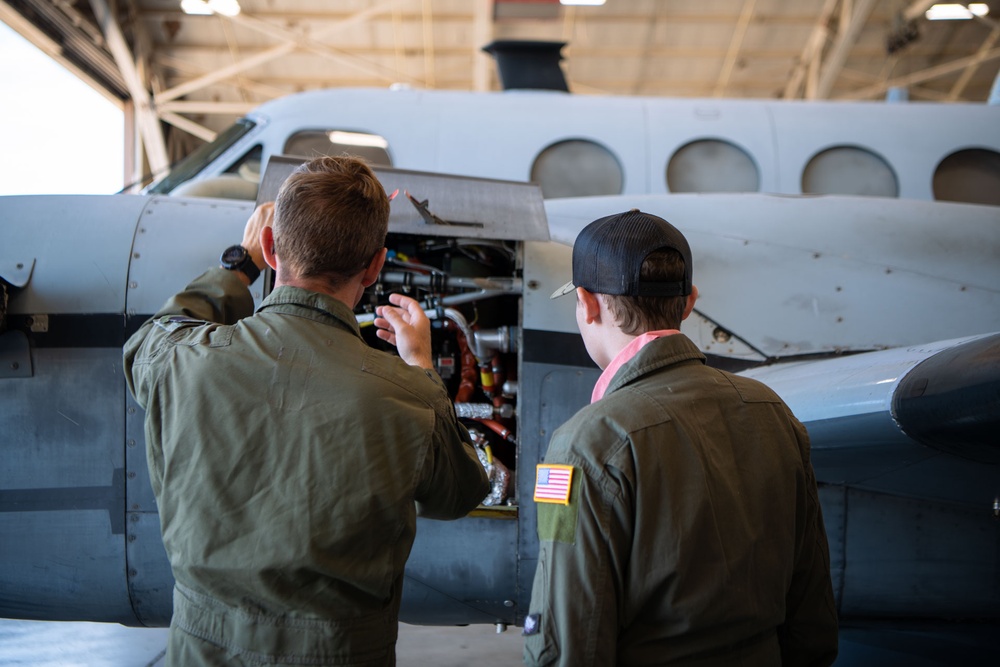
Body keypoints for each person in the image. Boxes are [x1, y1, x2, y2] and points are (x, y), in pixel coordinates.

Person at [123, 155, 489, 666]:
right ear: (376, 266)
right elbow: (461, 492)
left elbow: (149, 339)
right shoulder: (411, 397)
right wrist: (423, 369)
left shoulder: (181, 361)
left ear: (272, 247)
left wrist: (239, 268)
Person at [523, 209, 838, 666]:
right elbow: (812, 615)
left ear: (588, 304)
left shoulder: (581, 445)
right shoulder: (773, 412)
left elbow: (568, 633)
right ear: (689, 302)